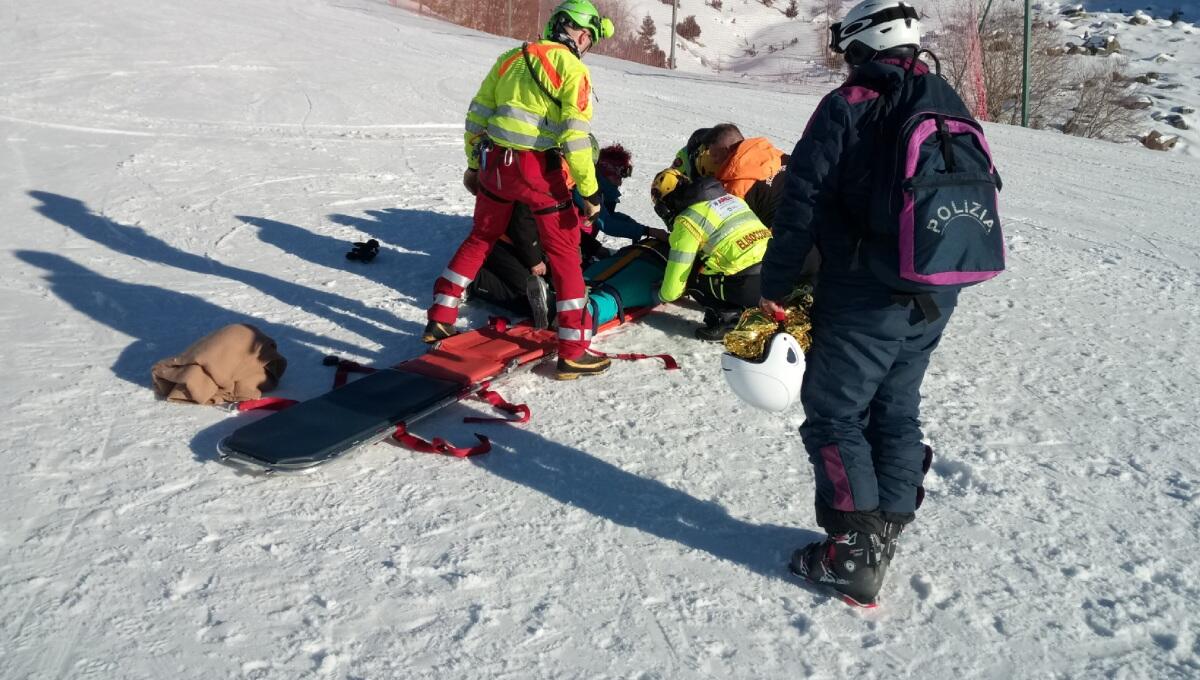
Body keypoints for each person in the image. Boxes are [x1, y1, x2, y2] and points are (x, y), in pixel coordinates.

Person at [759, 0, 985, 606]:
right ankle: (885, 524)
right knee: (895, 406)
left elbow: (801, 202)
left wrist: (775, 283)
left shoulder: (850, 104)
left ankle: (854, 554)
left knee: (835, 412)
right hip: (936, 287)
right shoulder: (946, 99)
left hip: (865, 291)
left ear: (863, 44)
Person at [423, 1, 616, 380]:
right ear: (581, 34)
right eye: (590, 39)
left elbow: (476, 117)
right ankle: (573, 351)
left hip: (495, 164)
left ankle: (440, 318)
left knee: (481, 237)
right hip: (537, 170)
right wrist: (591, 193)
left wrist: (474, 165)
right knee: (565, 253)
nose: (587, 46)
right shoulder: (573, 69)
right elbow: (575, 138)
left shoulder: (510, 58)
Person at [650, 168, 771, 341]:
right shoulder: (731, 199)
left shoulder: (687, 221)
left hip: (750, 286)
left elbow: (675, 282)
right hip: (775, 275)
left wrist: (660, 294)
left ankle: (728, 319)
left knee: (691, 273)